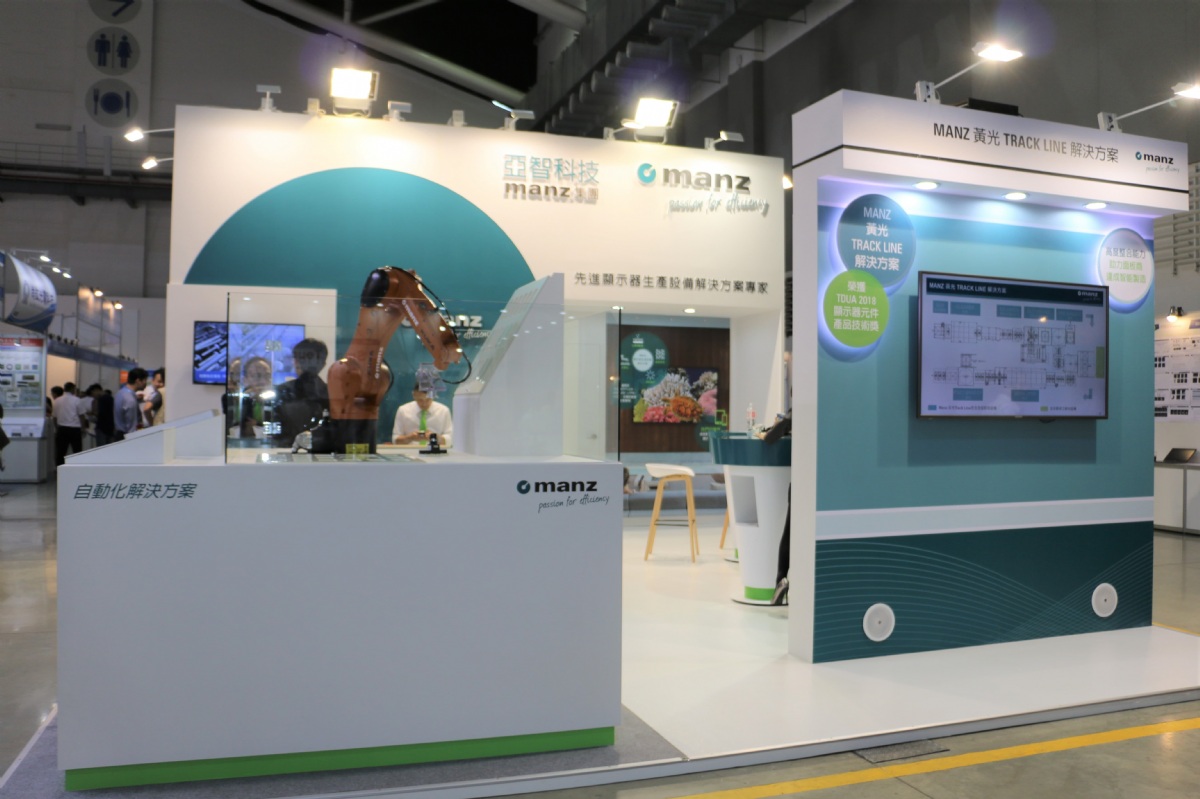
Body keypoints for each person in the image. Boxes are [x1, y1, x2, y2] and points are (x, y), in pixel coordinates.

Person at [274, 338, 329, 445]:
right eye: (300, 358)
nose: (305, 363)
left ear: (322, 363)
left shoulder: (330, 393)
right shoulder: (282, 391)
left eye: (310, 358)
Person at [52, 381, 85, 465]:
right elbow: (81, 415)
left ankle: (59, 469)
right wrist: (83, 428)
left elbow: (54, 417)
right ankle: (77, 468)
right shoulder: (77, 400)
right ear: (73, 389)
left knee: (60, 452)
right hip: (75, 429)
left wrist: (57, 428)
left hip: (62, 429)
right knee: (77, 451)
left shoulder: (57, 400)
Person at [114, 368, 148, 441]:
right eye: (144, 380)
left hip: (118, 433)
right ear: (138, 381)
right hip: (127, 437)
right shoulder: (130, 399)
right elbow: (131, 426)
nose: (146, 383)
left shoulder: (120, 393)